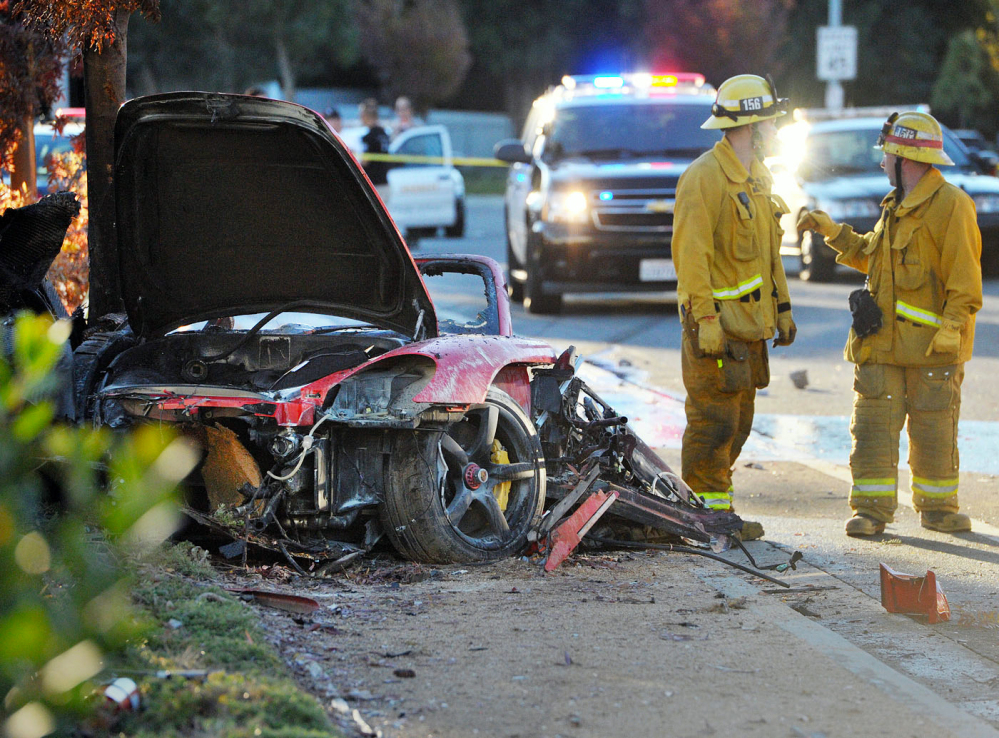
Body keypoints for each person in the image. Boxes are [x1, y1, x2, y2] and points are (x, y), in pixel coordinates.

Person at [797, 111, 982, 536]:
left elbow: (965, 282)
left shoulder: (951, 206)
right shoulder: (894, 206)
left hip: (931, 349)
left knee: (934, 430)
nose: (881, 163)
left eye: (887, 156)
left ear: (906, 159)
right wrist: (833, 232)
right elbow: (873, 257)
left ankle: (937, 509)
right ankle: (871, 512)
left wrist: (952, 327)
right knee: (872, 428)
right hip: (881, 344)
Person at [672, 74, 796, 541]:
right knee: (713, 426)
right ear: (751, 126)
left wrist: (782, 308)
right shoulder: (704, 178)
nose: (776, 131)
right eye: (771, 123)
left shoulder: (757, 180)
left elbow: (769, 255)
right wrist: (704, 319)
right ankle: (704, 520)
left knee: (739, 424)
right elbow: (692, 258)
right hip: (717, 331)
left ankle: (713, 513)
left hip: (748, 331)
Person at [359, 98, 391, 199]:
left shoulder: (369, 137)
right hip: (384, 182)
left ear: (365, 116)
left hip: (373, 185)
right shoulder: (384, 134)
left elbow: (365, 161)